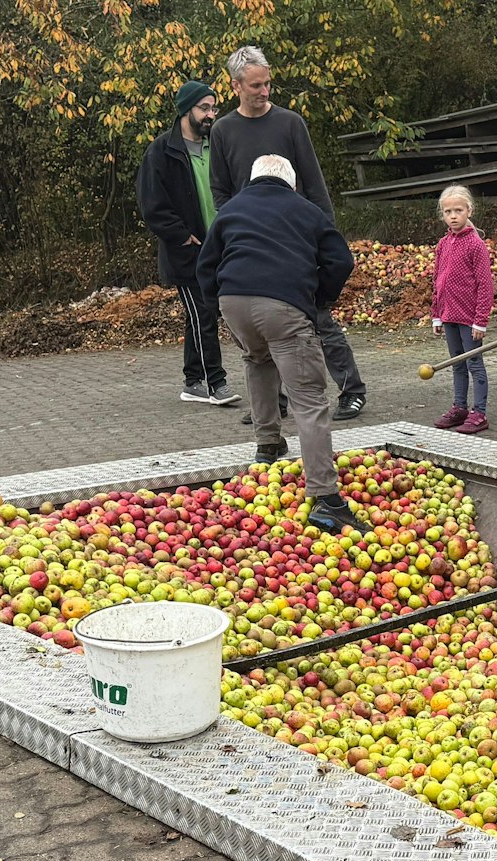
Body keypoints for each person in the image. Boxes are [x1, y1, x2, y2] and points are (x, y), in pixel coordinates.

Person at [196, 155, 368, 534]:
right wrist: (318, 298)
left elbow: (205, 265)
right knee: (309, 399)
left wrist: (220, 305)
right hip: (283, 306)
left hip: (234, 302)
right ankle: (326, 499)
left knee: (257, 359)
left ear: (253, 179)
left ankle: (268, 445)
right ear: (290, 183)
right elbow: (340, 260)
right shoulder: (304, 209)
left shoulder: (232, 209)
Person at [208, 45, 366, 422]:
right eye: (255, 86)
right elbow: (220, 192)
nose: (264, 92)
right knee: (264, 331)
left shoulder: (290, 123)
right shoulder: (223, 131)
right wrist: (232, 233)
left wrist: (325, 234)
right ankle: (273, 403)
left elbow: (313, 182)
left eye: (267, 84)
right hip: (250, 242)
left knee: (318, 317)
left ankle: (352, 390)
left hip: (297, 237)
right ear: (236, 86)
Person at [134, 79, 238, 407]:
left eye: (214, 108)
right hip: (187, 251)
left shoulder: (217, 145)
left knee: (203, 314)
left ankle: (192, 380)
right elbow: (151, 204)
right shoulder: (161, 151)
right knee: (203, 313)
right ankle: (215, 384)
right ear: (185, 110)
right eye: (204, 108)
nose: (211, 115)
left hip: (220, 246)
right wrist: (181, 235)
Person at [429, 185, 495, 434]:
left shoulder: (475, 245)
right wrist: (436, 314)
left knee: (474, 364)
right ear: (442, 215)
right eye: (448, 211)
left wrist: (481, 320)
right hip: (449, 317)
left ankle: (479, 412)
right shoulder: (443, 244)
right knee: (457, 363)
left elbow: (485, 285)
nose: (453, 216)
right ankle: (460, 407)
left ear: (469, 210)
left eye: (458, 210)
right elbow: (437, 281)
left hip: (469, 319)